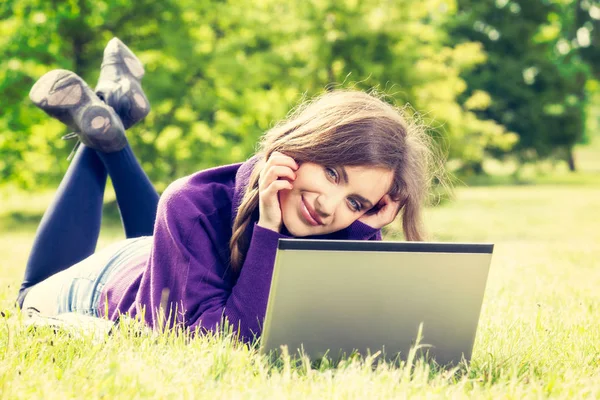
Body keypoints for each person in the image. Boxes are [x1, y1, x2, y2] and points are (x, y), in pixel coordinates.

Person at [17, 38, 440, 343]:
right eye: (332, 172)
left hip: (167, 261)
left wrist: (362, 231)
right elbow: (231, 341)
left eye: (356, 202)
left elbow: (341, 320)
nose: (329, 207)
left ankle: (112, 116)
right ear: (301, 146)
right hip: (113, 282)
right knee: (26, 297)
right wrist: (269, 228)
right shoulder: (193, 203)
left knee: (178, 219)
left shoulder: (337, 225)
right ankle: (110, 127)